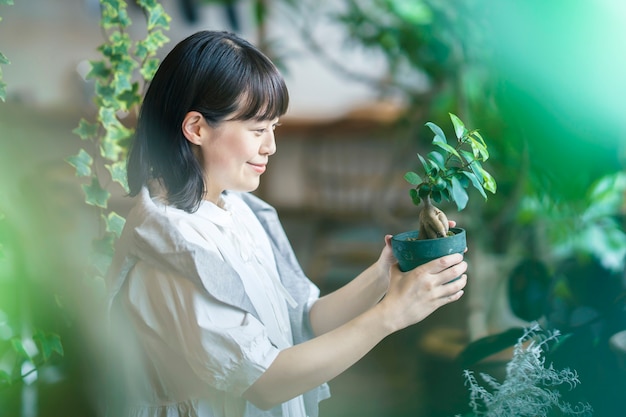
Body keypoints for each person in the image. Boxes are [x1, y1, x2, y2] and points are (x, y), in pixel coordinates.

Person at [105, 30, 468, 417]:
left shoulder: (238, 209)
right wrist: (390, 315)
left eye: (273, 129)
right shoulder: (172, 243)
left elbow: (305, 319)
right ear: (196, 128)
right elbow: (264, 382)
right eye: (257, 130)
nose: (270, 147)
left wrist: (385, 272)